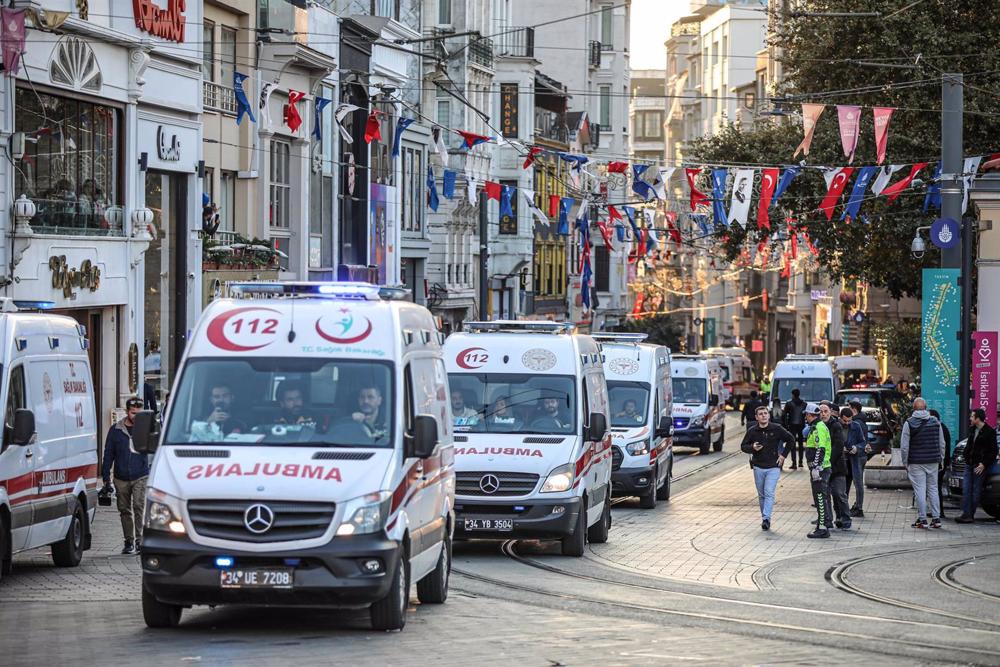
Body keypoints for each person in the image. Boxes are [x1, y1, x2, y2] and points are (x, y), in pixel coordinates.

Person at [101, 397, 149, 555]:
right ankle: (129, 541)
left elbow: (156, 447)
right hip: (121, 477)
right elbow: (108, 453)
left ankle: (140, 540)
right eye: (133, 413)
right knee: (124, 509)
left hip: (140, 474)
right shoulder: (116, 430)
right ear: (127, 411)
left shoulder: (145, 429)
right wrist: (106, 476)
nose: (136, 416)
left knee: (139, 506)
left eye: (139, 413)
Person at [739, 404, 794, 531]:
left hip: (773, 466)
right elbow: (743, 446)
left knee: (769, 492)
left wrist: (783, 455)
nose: (763, 416)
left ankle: (766, 519)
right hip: (758, 466)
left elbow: (790, 440)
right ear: (756, 417)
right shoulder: (752, 431)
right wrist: (752, 447)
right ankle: (765, 517)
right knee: (762, 494)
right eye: (761, 414)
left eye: (765, 413)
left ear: (769, 415)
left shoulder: (776, 428)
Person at [900, 397, 945, 529]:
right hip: (933, 461)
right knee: (933, 488)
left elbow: (904, 446)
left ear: (913, 408)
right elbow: (942, 443)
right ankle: (936, 518)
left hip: (916, 462)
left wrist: (905, 461)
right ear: (925, 408)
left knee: (920, 489)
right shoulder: (935, 422)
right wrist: (941, 458)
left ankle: (923, 519)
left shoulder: (909, 423)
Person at [956, 408, 998, 523]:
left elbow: (993, 451)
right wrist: (965, 455)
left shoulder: (989, 432)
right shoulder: (972, 429)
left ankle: (970, 514)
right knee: (966, 489)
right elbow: (969, 445)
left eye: (972, 416)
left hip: (979, 466)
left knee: (976, 490)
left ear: (977, 418)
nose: (970, 418)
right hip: (969, 464)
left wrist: (984, 464)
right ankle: (966, 514)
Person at [820, 402, 851, 531]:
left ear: (830, 412)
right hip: (823, 467)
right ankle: (830, 519)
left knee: (839, 494)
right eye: (820, 412)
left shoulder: (836, 425)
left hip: (837, 466)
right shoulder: (817, 426)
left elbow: (838, 446)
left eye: (825, 411)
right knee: (826, 495)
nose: (823, 414)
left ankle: (845, 518)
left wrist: (828, 462)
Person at [804, 403, 832, 538]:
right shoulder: (817, 426)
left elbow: (820, 449)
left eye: (806, 415)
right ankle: (823, 524)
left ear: (809, 415)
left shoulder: (818, 428)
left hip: (820, 469)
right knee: (820, 497)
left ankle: (822, 528)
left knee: (820, 498)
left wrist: (815, 467)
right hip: (821, 468)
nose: (805, 417)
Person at [846, 400, 869, 517]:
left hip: (857, 456)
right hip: (860, 455)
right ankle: (857, 505)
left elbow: (860, 440)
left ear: (854, 409)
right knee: (856, 482)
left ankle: (859, 507)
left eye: (848, 407)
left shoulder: (857, 423)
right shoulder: (861, 421)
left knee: (858, 483)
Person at [929, 409, 950, 519]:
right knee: (935, 487)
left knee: (936, 487)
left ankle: (939, 511)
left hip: (939, 463)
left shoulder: (939, 428)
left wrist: (941, 462)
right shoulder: (941, 427)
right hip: (941, 462)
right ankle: (936, 510)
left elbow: (942, 446)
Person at [781, 388, 807, 470]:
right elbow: (806, 415)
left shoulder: (789, 403)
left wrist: (785, 426)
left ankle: (794, 463)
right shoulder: (804, 404)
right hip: (801, 425)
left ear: (792, 394)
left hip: (792, 426)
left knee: (792, 444)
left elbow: (784, 415)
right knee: (800, 444)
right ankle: (801, 462)